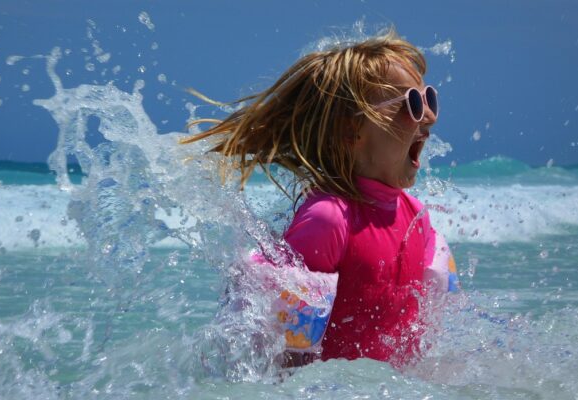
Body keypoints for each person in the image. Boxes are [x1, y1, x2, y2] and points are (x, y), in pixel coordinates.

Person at [181, 28, 447, 368]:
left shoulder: (416, 217)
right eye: (411, 104)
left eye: (428, 99)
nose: (430, 117)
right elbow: (286, 354)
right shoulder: (330, 220)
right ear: (351, 131)